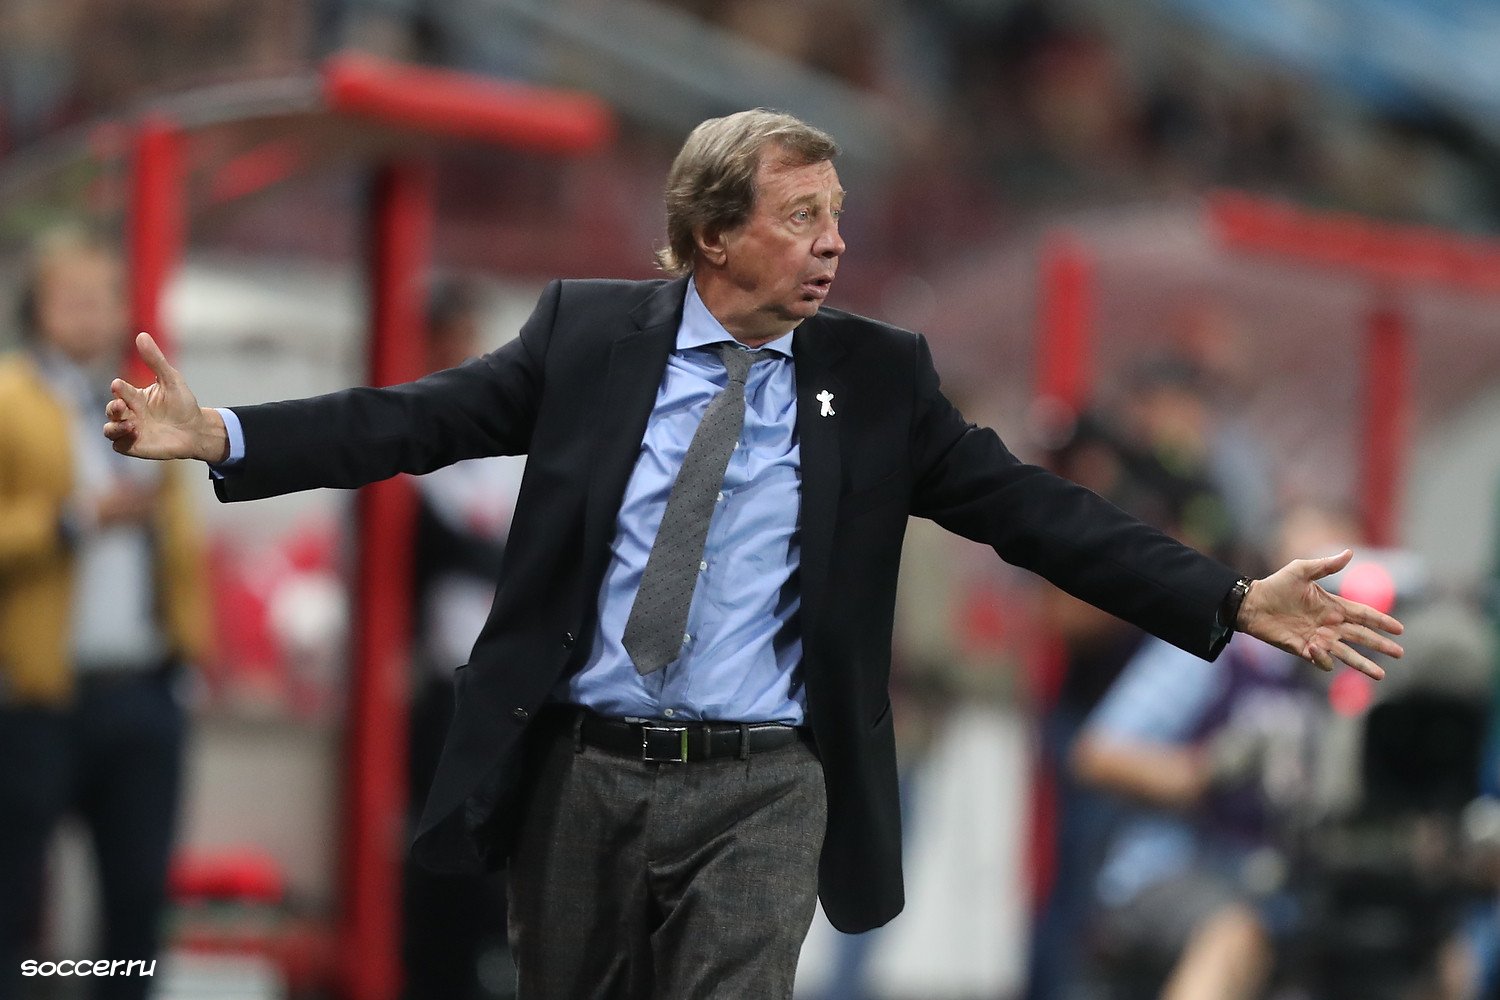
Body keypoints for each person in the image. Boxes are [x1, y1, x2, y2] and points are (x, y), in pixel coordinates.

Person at [100, 109, 1403, 999]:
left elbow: (1034, 510)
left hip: (766, 784)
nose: (834, 241)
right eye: (801, 215)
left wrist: (1229, 597)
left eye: (837, 214)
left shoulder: (878, 380)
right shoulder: (587, 337)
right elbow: (415, 421)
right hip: (580, 772)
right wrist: (221, 432)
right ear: (713, 234)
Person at [0, 226, 209, 1000]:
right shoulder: (10, 399)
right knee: (16, 898)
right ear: (37, 306)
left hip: (143, 687)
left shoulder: (144, 401)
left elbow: (181, 539)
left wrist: (192, 650)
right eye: (72, 298)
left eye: (103, 297)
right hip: (36, 693)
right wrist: (74, 519)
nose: (90, 313)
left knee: (137, 901)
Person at [403, 278, 522, 1000]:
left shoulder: (510, 451)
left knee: (504, 852)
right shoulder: (412, 447)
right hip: (443, 683)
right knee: (443, 852)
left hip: (510, 684)